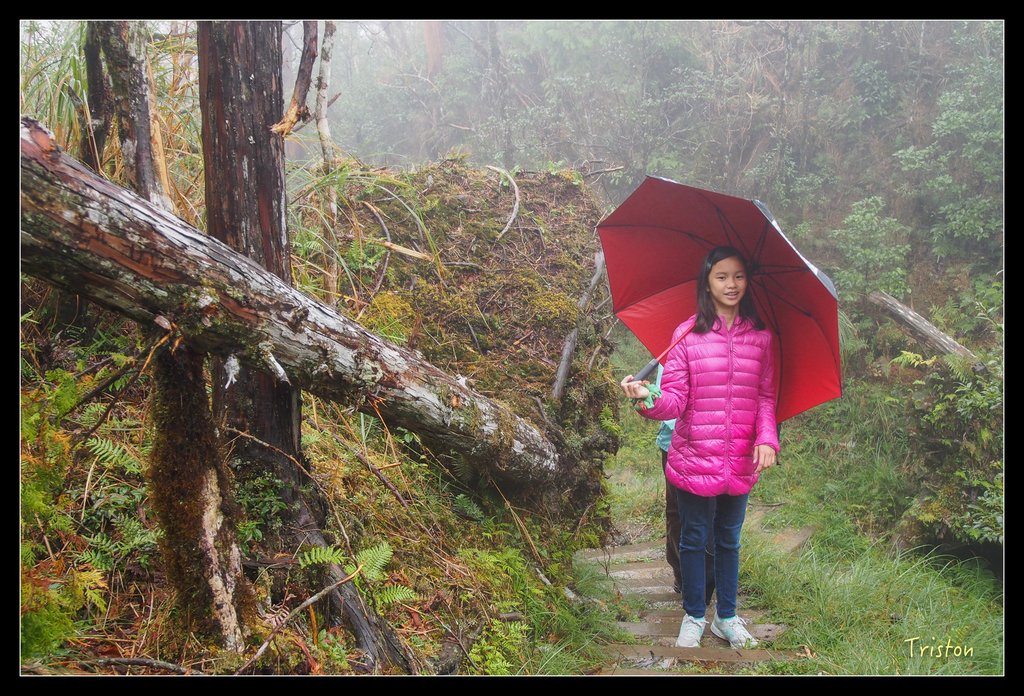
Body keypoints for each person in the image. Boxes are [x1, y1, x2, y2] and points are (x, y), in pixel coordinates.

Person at [620, 245, 778, 649]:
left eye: (739, 276)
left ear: (748, 281)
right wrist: (646, 397)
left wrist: (766, 438)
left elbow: (765, 397)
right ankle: (693, 615)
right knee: (693, 539)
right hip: (694, 455)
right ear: (707, 281)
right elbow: (674, 400)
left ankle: (726, 616)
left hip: (740, 459)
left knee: (729, 540)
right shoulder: (687, 335)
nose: (731, 284)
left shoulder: (761, 338)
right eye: (722, 276)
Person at [655, 364, 716, 604]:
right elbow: (664, 395)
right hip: (673, 441)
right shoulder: (673, 344)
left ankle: (707, 579)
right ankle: (683, 576)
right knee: (676, 512)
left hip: (709, 442)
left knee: (709, 515)